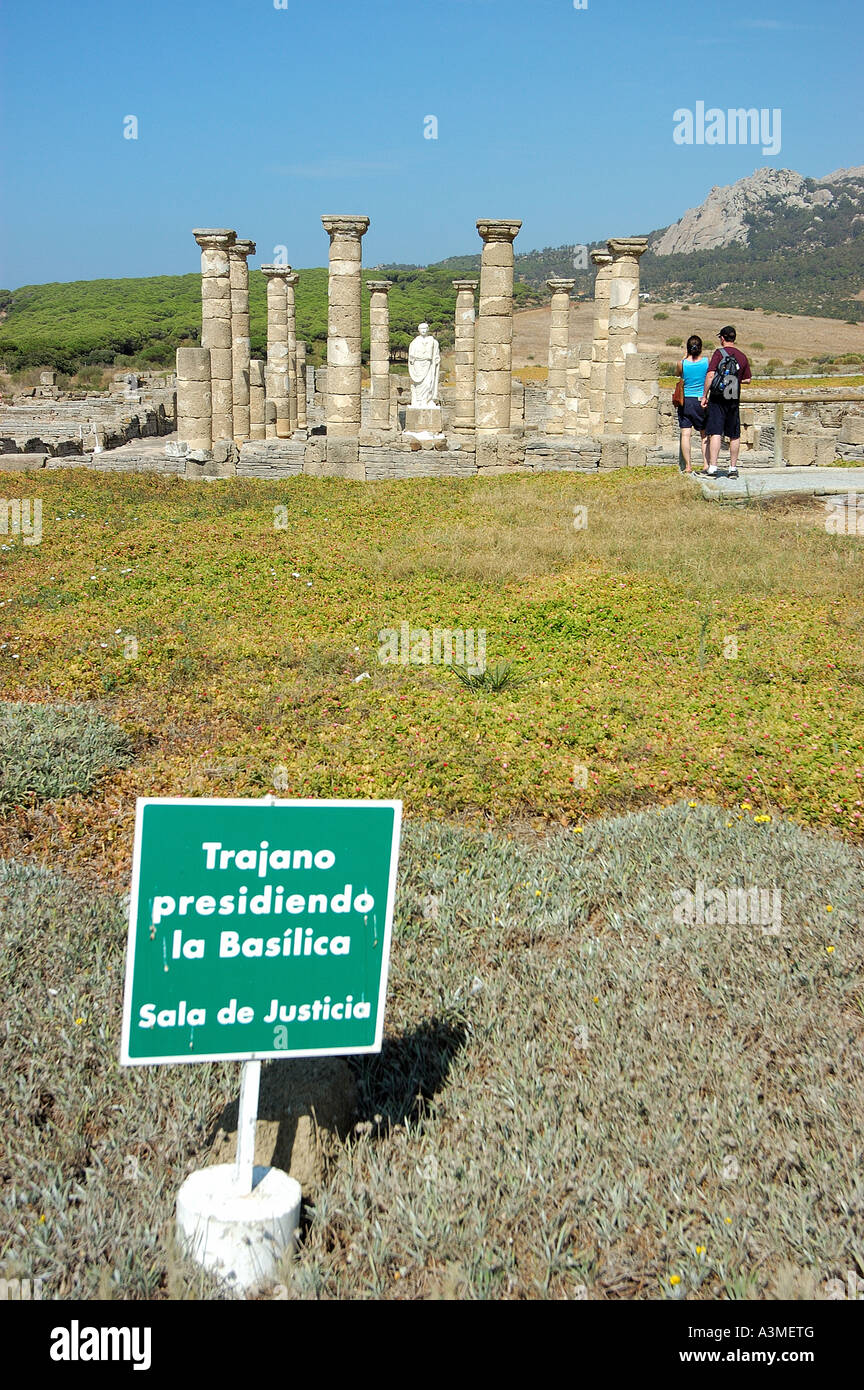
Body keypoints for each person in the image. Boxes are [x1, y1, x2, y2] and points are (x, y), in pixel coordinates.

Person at [700, 326, 751, 479]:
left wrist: (704, 395)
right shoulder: (742, 356)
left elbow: (710, 376)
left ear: (722, 338)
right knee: (734, 434)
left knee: (715, 432)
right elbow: (747, 379)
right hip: (733, 398)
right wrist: (733, 380)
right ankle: (733, 468)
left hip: (717, 398)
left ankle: (713, 468)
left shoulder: (718, 354)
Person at [675, 335, 709, 473]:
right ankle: (706, 464)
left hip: (685, 401)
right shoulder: (707, 362)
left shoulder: (682, 363)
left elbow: (678, 374)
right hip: (701, 400)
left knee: (685, 434)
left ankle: (688, 466)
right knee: (704, 434)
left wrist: (684, 358)